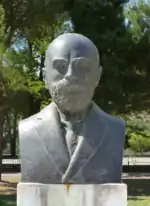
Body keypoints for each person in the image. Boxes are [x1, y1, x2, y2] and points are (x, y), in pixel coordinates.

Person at [19, 33, 125, 184]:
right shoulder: (28, 130)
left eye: (81, 66)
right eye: (60, 67)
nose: (70, 75)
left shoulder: (115, 129)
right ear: (44, 76)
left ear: (98, 76)